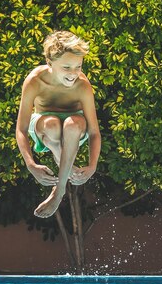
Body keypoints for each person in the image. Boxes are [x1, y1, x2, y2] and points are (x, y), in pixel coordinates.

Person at [16, 30, 101, 218]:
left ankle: (59, 189)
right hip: (45, 127)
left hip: (74, 129)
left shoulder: (82, 86)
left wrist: (92, 165)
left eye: (78, 67)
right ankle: (63, 161)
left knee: (71, 125)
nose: (73, 74)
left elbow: (94, 132)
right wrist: (31, 164)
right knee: (53, 125)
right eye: (66, 67)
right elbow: (21, 129)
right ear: (49, 63)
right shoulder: (34, 82)